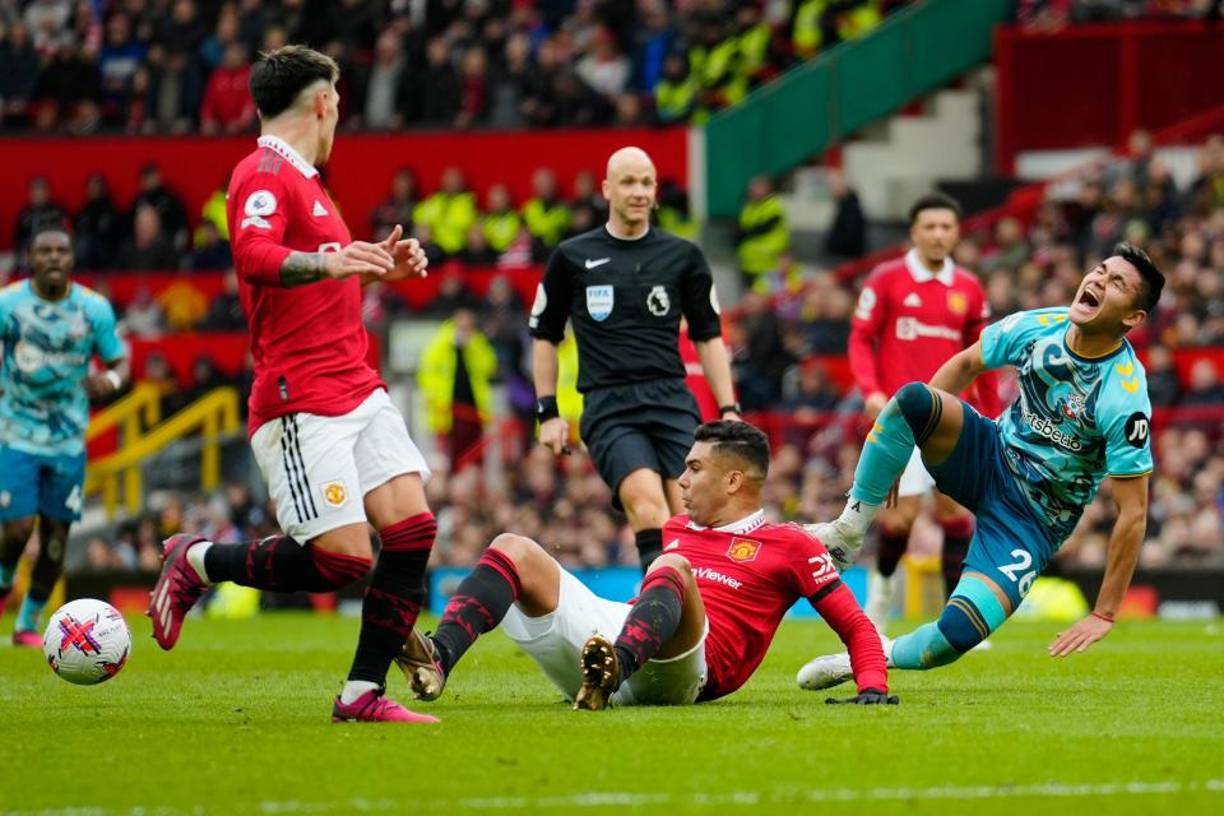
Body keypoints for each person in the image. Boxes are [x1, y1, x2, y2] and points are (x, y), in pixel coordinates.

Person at [145, 45, 437, 724]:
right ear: (324, 102)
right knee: (340, 563)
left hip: (357, 386)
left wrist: (375, 269)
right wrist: (331, 259)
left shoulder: (309, 183)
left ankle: (362, 694)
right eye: (339, 102)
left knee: (413, 529)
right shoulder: (262, 172)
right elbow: (252, 255)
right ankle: (199, 561)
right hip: (301, 399)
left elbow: (317, 280)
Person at [796, 243, 1162, 690]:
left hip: (1032, 519)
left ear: (1133, 318)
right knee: (913, 399)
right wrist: (906, 454)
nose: (1099, 281)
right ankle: (848, 531)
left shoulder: (1124, 395)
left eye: (1118, 283)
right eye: (1101, 271)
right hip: (988, 454)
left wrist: (1104, 612)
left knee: (955, 637)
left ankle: (873, 654)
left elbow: (1133, 513)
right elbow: (968, 362)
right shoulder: (1039, 325)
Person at [396, 421, 894, 709]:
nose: (680, 480)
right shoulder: (677, 529)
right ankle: (438, 657)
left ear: (734, 482)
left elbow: (856, 626)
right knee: (513, 547)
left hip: (685, 674)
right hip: (617, 643)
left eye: (694, 469)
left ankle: (611, 671)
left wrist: (872, 688)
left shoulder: (791, 544)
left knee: (672, 566)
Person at [529, 146, 740, 572]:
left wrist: (729, 409)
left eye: (647, 182)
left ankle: (685, 624)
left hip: (671, 400)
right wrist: (547, 412)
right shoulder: (571, 257)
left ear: (656, 191)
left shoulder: (683, 257)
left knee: (686, 517)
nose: (639, 191)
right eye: (628, 181)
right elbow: (545, 336)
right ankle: (662, 624)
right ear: (607, 189)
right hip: (609, 405)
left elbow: (708, 336)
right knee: (647, 508)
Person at [848, 193, 1000, 634]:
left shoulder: (968, 288)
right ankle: (880, 598)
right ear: (913, 232)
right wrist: (872, 391)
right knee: (900, 517)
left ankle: (957, 620)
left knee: (955, 515)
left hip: (954, 420)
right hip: (901, 420)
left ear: (956, 233)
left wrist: (990, 415)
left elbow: (982, 358)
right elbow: (860, 339)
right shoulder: (887, 279)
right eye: (929, 227)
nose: (938, 235)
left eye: (946, 227)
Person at [0, 228, 128, 646]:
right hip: (15, 434)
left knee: (55, 542)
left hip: (68, 441)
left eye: (61, 251)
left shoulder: (94, 309)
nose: (54, 257)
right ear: (31, 258)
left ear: (71, 259)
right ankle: (3, 588)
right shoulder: (8, 304)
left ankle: (26, 624)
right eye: (44, 251)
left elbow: (119, 361)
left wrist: (109, 380)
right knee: (18, 529)